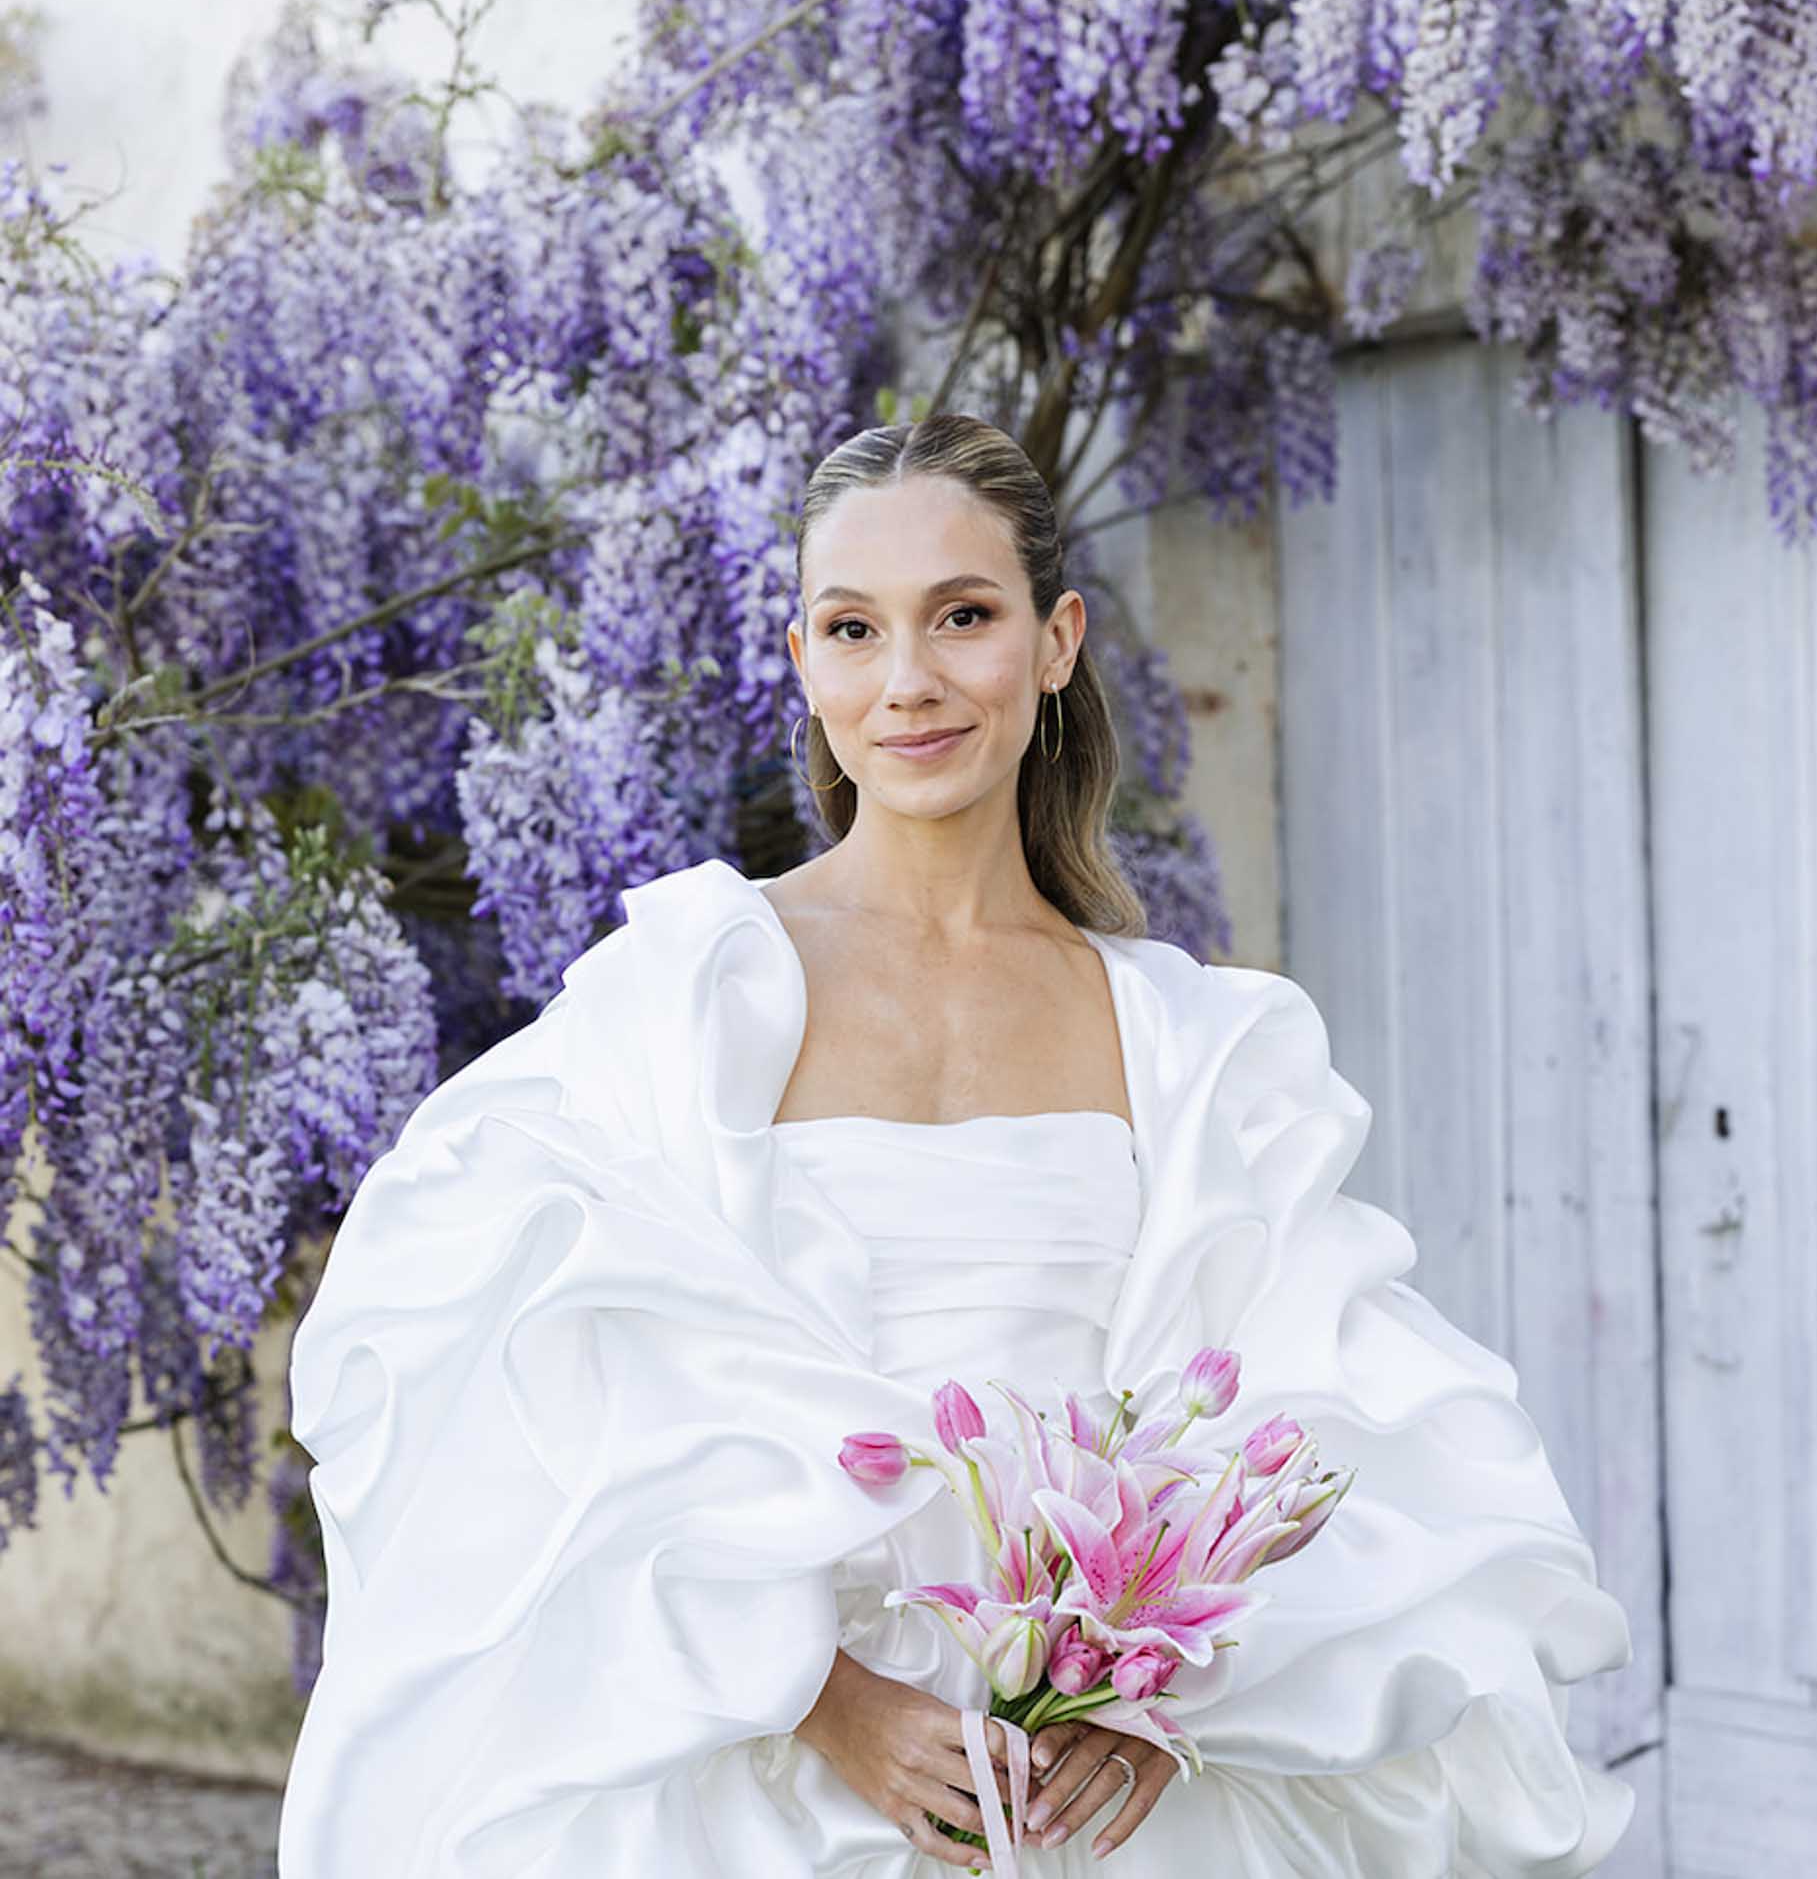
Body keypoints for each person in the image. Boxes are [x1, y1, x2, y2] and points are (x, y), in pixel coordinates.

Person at [276, 413, 1636, 1876]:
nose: (910, 682)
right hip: (769, 1782)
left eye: (964, 617)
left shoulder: (1193, 1046)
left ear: (1056, 641)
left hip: (1101, 1798)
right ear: (802, 659)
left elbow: (1327, 1405)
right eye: (855, 628)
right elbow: (505, 1363)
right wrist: (818, 1693)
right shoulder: (697, 993)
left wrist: (1163, 1686)